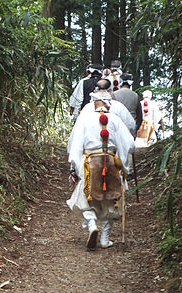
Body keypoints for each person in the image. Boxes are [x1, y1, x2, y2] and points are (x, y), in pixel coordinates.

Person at [67, 79, 135, 249]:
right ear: (108, 103)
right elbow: (129, 146)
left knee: (86, 198)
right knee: (110, 200)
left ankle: (91, 225)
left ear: (94, 102)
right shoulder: (115, 120)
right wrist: (125, 167)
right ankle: (104, 239)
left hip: (89, 162)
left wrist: (73, 167)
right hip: (110, 161)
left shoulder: (84, 119)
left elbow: (75, 145)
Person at [113, 72, 142, 138]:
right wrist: (137, 127)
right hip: (131, 124)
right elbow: (139, 115)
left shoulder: (114, 95)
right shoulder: (135, 95)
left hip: (118, 125)